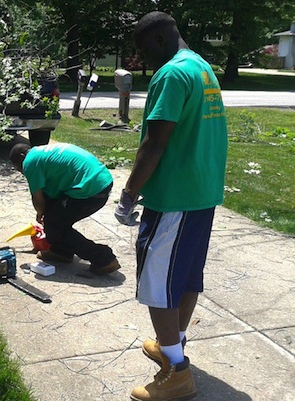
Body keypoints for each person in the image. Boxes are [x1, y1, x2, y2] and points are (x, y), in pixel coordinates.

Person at [114, 11, 228, 401]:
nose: (143, 60)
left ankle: (177, 374)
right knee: (186, 277)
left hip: (174, 198)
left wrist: (129, 195)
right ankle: (172, 346)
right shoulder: (201, 68)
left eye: (143, 51)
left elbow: (155, 142)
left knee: (157, 284)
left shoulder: (171, 74)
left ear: (159, 40)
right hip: (202, 192)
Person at [9, 142, 121, 274]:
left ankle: (104, 259)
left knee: (54, 223)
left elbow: (38, 198)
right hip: (101, 181)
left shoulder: (29, 161)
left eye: (19, 168)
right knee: (56, 218)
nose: (23, 172)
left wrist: (40, 212)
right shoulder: (43, 153)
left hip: (90, 188)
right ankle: (62, 252)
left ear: (22, 156)